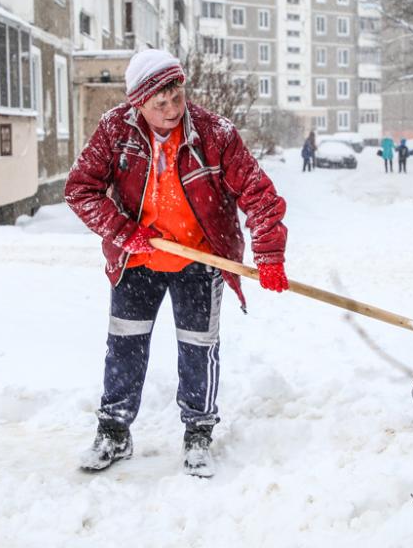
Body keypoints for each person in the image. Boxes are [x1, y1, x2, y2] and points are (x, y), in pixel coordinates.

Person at [64, 49, 289, 478]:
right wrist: (123, 231)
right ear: (138, 104)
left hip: (200, 259)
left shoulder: (215, 133)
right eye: (159, 104)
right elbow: (80, 190)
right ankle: (113, 430)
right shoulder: (115, 131)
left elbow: (259, 194)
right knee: (125, 346)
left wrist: (269, 253)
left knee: (198, 349)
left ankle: (198, 434)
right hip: (137, 259)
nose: (170, 110)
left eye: (176, 97)